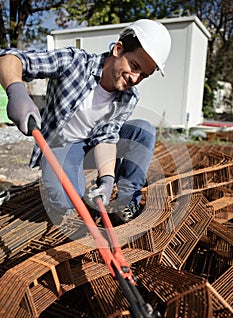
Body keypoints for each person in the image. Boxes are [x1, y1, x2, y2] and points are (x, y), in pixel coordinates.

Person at [0, 19, 171, 224]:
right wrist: (16, 91)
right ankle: (64, 180)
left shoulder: (129, 97)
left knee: (143, 131)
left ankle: (126, 202)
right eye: (134, 66)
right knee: (65, 202)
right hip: (63, 146)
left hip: (94, 146)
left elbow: (107, 137)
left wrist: (107, 179)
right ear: (118, 49)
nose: (135, 78)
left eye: (143, 75)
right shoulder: (74, 62)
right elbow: (11, 58)